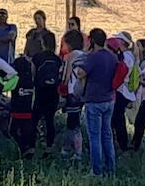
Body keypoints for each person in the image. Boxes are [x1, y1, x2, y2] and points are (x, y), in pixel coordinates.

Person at [74, 27, 127, 177]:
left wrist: (85, 54)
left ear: (92, 40)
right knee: (107, 135)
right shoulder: (111, 57)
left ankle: (96, 171)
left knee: (94, 137)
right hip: (109, 100)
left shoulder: (93, 57)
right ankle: (110, 169)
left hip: (94, 101)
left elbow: (80, 73)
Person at [30, 28, 63, 152]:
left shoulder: (37, 57)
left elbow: (33, 74)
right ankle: (49, 147)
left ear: (43, 43)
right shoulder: (57, 59)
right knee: (50, 120)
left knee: (34, 120)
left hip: (40, 91)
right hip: (53, 92)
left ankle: (32, 147)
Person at [58, 28, 87, 161]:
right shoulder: (85, 55)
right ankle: (68, 148)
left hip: (72, 91)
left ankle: (76, 152)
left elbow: (66, 75)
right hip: (82, 92)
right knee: (73, 120)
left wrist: (61, 88)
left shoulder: (71, 56)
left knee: (73, 123)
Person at [110, 31, 138, 152]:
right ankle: (121, 143)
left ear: (123, 42)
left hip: (121, 89)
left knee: (117, 118)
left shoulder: (125, 57)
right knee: (117, 118)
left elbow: (122, 73)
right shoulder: (129, 56)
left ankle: (121, 144)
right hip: (124, 90)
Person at [9, 53, 37, 158]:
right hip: (28, 111)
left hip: (16, 110)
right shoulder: (31, 80)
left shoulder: (15, 79)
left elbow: (5, 87)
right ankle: (29, 148)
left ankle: (23, 148)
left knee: (12, 131)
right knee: (27, 131)